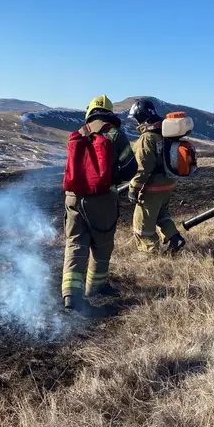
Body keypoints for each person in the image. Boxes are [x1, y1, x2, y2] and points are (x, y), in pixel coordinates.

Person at [61, 95, 136, 312]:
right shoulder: (114, 134)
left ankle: (70, 295)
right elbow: (131, 169)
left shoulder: (79, 133)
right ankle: (96, 286)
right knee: (102, 243)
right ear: (109, 113)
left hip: (73, 197)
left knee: (75, 242)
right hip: (101, 198)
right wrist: (113, 175)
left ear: (90, 112)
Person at [127, 99, 186, 255]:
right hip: (167, 184)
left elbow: (142, 169)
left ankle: (151, 257)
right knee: (162, 215)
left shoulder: (147, 138)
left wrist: (133, 189)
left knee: (143, 225)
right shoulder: (165, 133)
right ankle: (175, 238)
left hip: (152, 188)